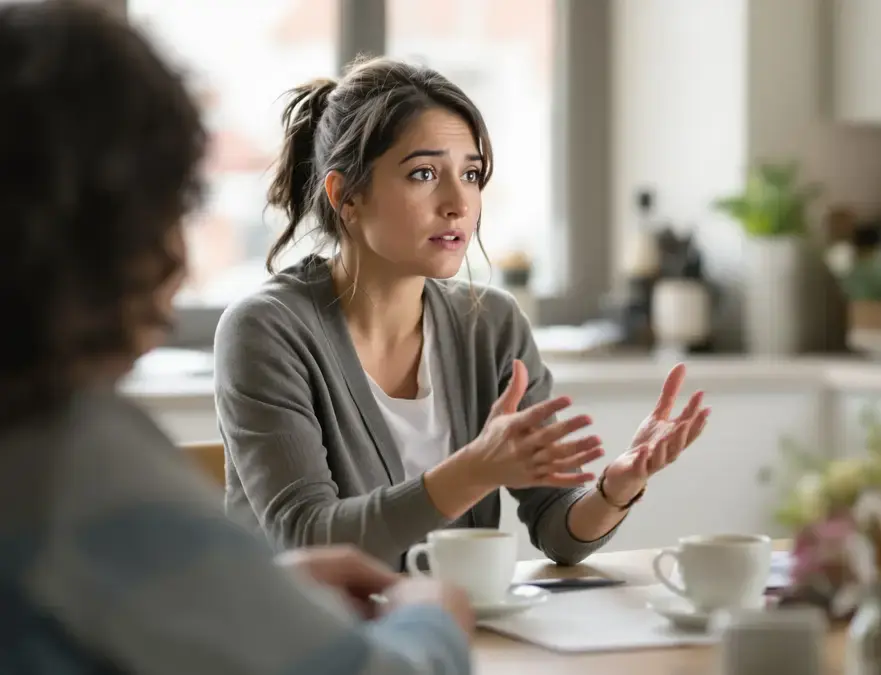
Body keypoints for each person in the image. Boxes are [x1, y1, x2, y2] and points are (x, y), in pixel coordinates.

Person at [0, 3, 474, 673]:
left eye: (472, 173)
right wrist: (434, 615)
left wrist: (254, 585)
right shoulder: (72, 460)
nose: (178, 261)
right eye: (172, 208)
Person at [214, 56, 711, 569]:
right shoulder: (265, 330)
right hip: (306, 620)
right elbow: (307, 540)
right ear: (347, 196)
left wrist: (615, 489)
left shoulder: (491, 325)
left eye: (471, 174)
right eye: (424, 173)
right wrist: (474, 470)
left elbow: (557, 529)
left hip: (453, 615)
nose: (458, 203)